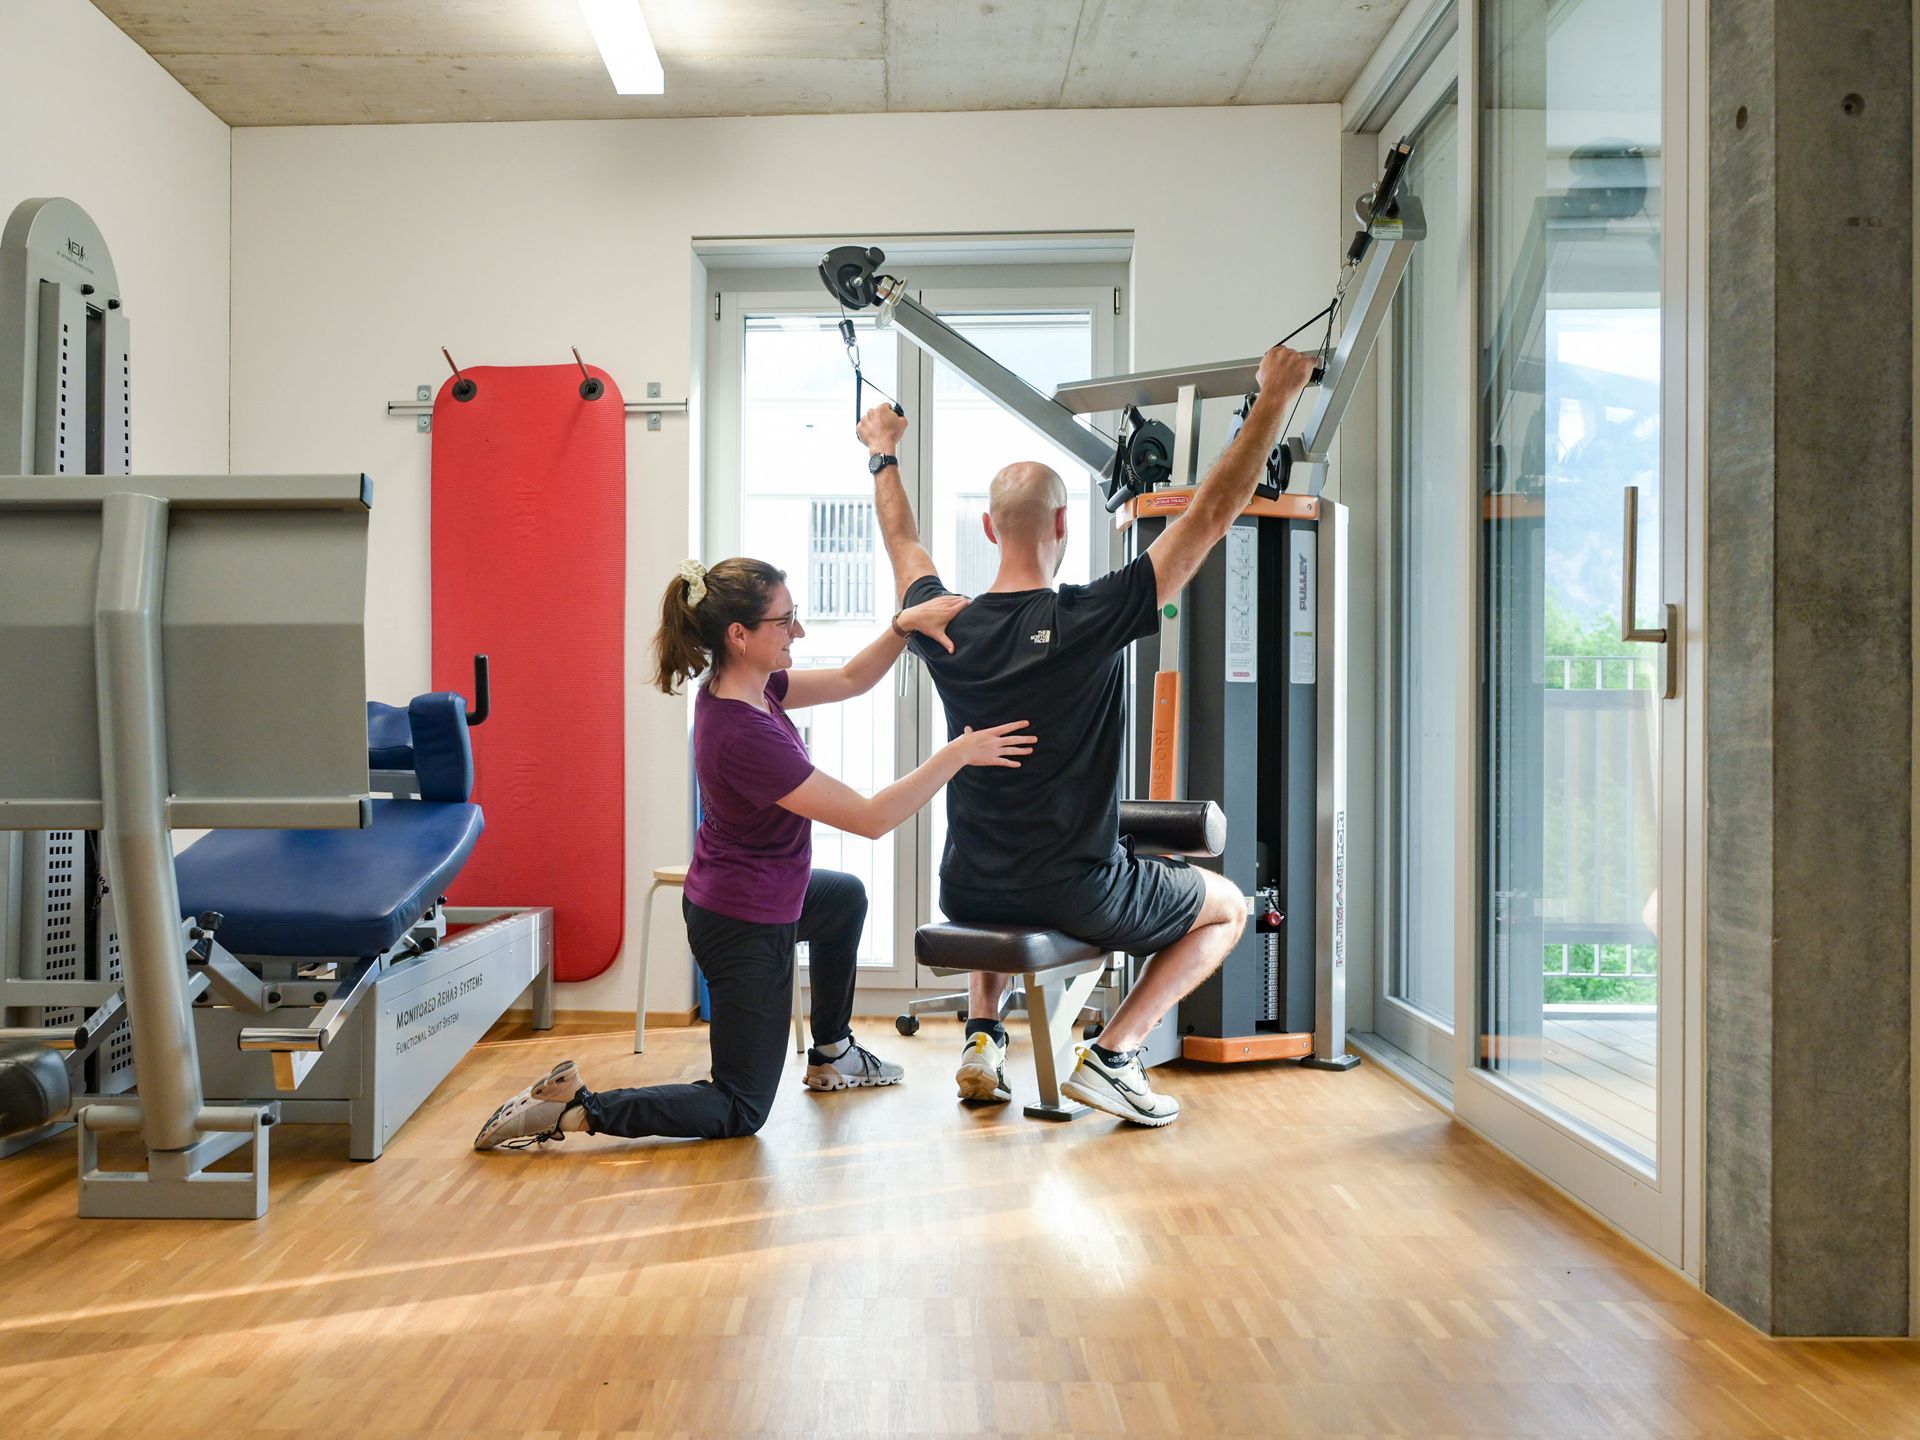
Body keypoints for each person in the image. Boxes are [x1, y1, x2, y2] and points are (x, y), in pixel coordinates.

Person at [854, 344, 1319, 1126]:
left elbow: (901, 543)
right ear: (1065, 522)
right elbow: (1208, 518)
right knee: (1231, 905)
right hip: (1074, 891)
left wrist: (882, 455)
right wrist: (1274, 398)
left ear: (988, 527)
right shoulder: (1085, 617)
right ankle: (1115, 1054)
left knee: (1003, 863)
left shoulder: (941, 620)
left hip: (964, 884)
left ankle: (981, 1037)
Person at [474, 556, 1034, 1150]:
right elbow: (871, 820)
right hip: (743, 922)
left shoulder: (747, 688)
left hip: (760, 890)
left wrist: (902, 626)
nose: (798, 632)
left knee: (843, 899)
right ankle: (573, 1111)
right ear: (739, 635)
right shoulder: (743, 735)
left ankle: (833, 1053)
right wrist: (957, 754)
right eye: (785, 621)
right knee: (740, 1105)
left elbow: (848, 680)